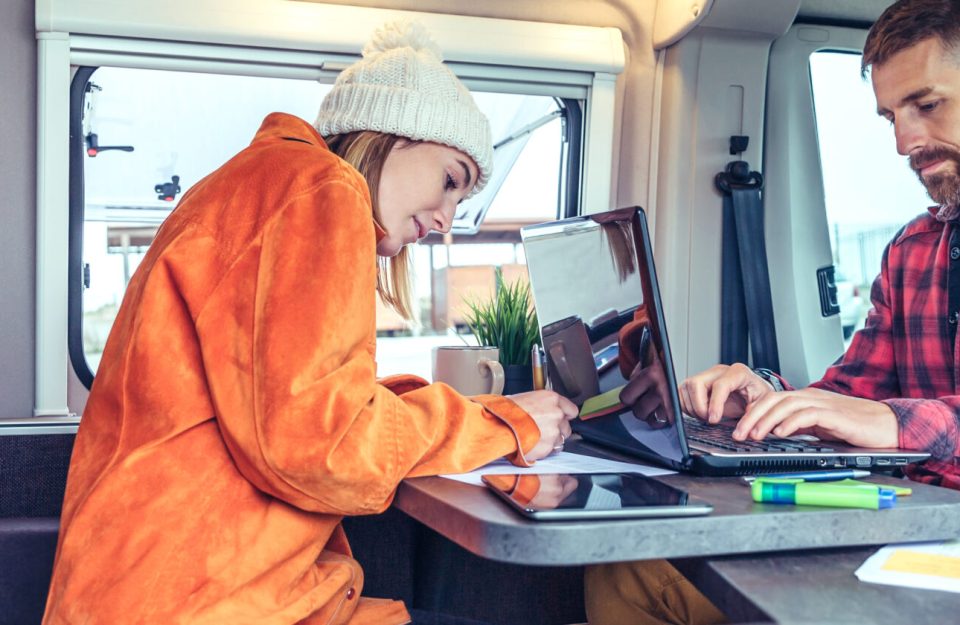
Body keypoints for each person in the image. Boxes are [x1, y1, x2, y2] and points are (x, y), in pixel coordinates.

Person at [42, 21, 578, 625]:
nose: (450, 217)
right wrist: (502, 423)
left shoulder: (260, 184)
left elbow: (292, 404)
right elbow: (325, 447)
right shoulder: (321, 188)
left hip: (156, 591)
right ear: (394, 136)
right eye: (451, 180)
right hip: (207, 602)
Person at [585, 1, 960, 623]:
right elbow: (848, 397)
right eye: (891, 117)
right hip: (907, 528)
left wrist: (894, 426)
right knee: (632, 567)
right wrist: (764, 397)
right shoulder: (913, 250)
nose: (903, 141)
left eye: (927, 105)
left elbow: (877, 419)